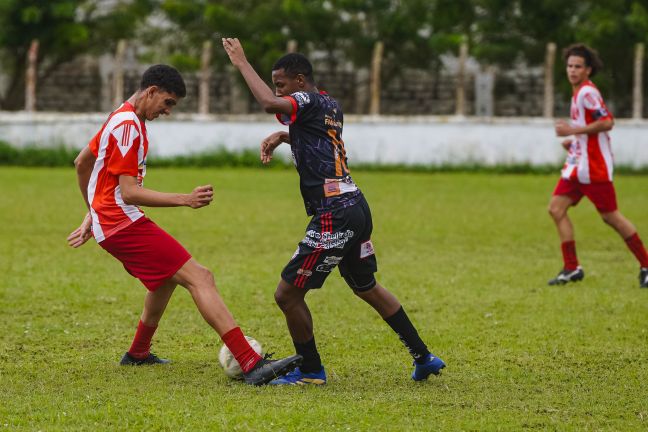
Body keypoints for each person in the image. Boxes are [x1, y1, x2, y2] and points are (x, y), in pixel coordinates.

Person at [222, 38, 446, 385]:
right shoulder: (327, 103)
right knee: (365, 286)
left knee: (287, 294)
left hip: (334, 212)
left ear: (300, 80)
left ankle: (311, 370)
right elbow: (317, 138)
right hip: (354, 204)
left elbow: (267, 103)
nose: (278, 91)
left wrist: (241, 63)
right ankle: (424, 357)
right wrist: (285, 136)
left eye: (281, 84)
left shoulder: (306, 99)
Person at [67, 64, 301, 385]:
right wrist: (185, 199)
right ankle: (249, 361)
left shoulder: (119, 117)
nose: (168, 111)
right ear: (151, 91)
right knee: (200, 276)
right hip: (121, 222)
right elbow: (129, 192)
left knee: (164, 281)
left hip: (113, 221)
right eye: (168, 102)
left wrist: (93, 212)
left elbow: (83, 163)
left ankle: (137, 353)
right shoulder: (128, 127)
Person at [548, 44, 648, 287]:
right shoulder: (578, 92)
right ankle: (572, 268)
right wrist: (574, 142)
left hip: (594, 168)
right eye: (569, 66)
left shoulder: (587, 93)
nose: (572, 70)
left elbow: (607, 122)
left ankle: (646, 264)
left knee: (611, 217)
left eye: (578, 66)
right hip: (578, 165)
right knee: (556, 209)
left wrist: (573, 130)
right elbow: (590, 131)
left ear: (588, 70)